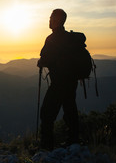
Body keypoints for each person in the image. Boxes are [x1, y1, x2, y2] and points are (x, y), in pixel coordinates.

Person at [37, 9, 79, 150]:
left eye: (51, 18)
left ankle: (46, 146)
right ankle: (73, 142)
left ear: (57, 20)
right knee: (70, 111)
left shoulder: (52, 39)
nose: (49, 20)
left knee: (47, 113)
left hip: (59, 83)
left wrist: (41, 62)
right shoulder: (70, 38)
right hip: (72, 82)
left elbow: (45, 58)